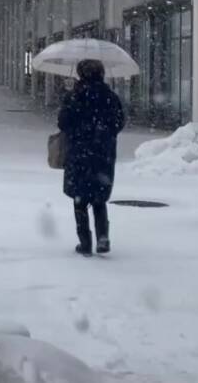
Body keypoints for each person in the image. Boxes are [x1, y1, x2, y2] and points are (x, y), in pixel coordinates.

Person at [57, 59, 127, 255]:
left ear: (80, 74)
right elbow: (119, 122)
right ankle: (102, 236)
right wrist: (104, 134)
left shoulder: (74, 96)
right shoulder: (110, 97)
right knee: (98, 196)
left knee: (79, 199)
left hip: (79, 153)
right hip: (102, 153)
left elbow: (63, 123)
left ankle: (85, 241)